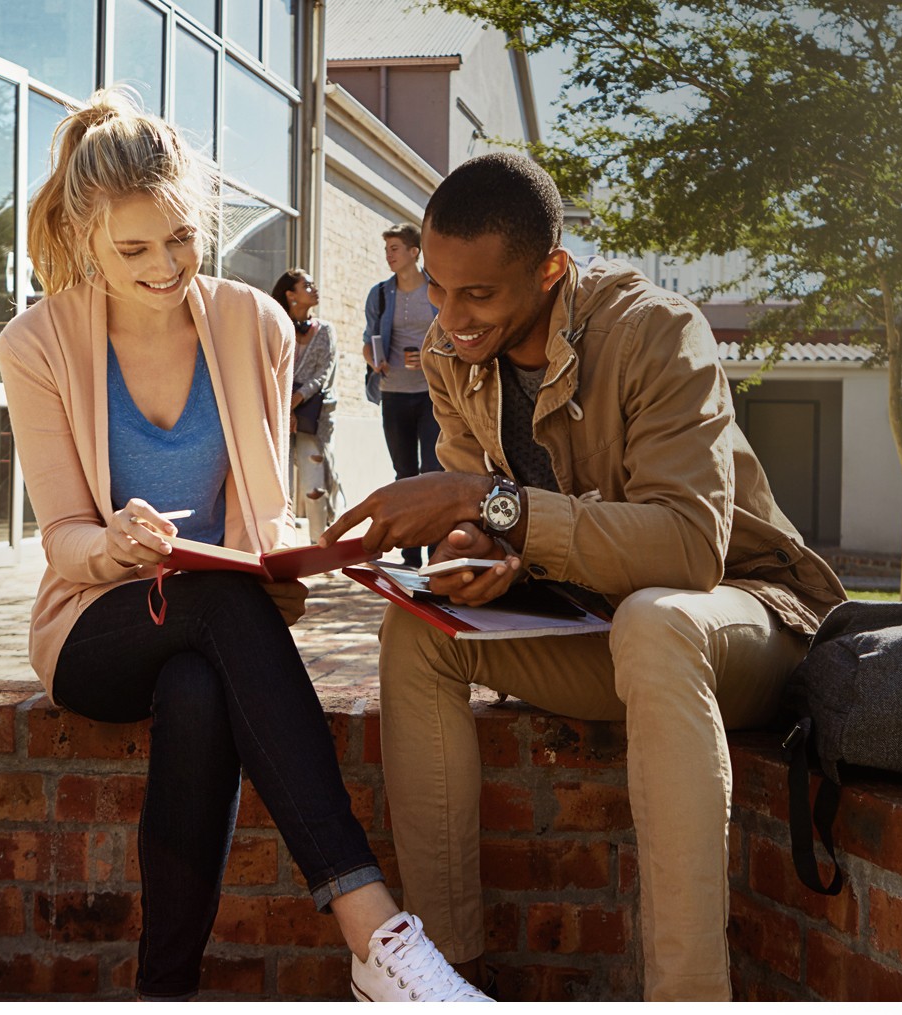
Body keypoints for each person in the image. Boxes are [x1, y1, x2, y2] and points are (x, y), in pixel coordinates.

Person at [320, 153, 847, 1000]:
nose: (447, 319)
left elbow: (687, 550)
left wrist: (487, 504)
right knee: (417, 631)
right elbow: (492, 515)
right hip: (604, 628)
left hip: (751, 625)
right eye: (437, 289)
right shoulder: (459, 360)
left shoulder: (659, 334)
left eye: (478, 295)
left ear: (551, 269)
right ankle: (444, 976)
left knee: (659, 618)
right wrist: (475, 553)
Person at [0, 90, 485, 1003]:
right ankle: (378, 937)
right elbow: (62, 540)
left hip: (212, 626)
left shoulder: (252, 322)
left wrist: (297, 558)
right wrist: (115, 541)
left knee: (198, 686)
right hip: (95, 629)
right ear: (85, 239)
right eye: (134, 248)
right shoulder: (38, 342)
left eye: (181, 238)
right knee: (210, 607)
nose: (164, 266)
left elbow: (264, 506)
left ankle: (165, 988)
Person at [361, 223, 439, 567]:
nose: (389, 255)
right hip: (393, 393)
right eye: (387, 249)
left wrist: (426, 354)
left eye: (395, 248)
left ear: (413, 252)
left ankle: (438, 550)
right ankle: (411, 554)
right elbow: (368, 340)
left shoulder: (436, 291)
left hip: (433, 394)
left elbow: (452, 335)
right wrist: (373, 359)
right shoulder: (380, 294)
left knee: (433, 472)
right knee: (404, 473)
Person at [270, 268, 342, 536]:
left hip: (313, 417)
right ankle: (282, 542)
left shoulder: (325, 330)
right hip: (277, 415)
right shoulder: (274, 326)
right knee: (280, 485)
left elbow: (324, 372)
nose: (315, 288)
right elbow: (269, 367)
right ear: (291, 295)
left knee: (315, 486)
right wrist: (282, 408)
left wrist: (296, 401)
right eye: (307, 285)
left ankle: (319, 544)